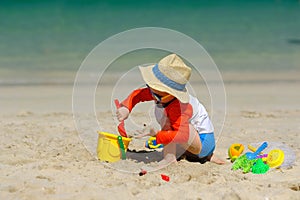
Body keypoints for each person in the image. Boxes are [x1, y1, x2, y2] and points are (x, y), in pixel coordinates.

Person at [116, 54, 225, 166]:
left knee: (168, 121)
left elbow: (182, 135)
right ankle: (194, 156)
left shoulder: (179, 107)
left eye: (157, 95)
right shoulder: (159, 94)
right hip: (187, 145)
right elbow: (138, 95)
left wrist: (156, 135)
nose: (152, 96)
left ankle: (171, 158)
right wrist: (126, 108)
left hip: (202, 144)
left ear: (173, 94)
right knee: (168, 131)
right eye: (150, 88)